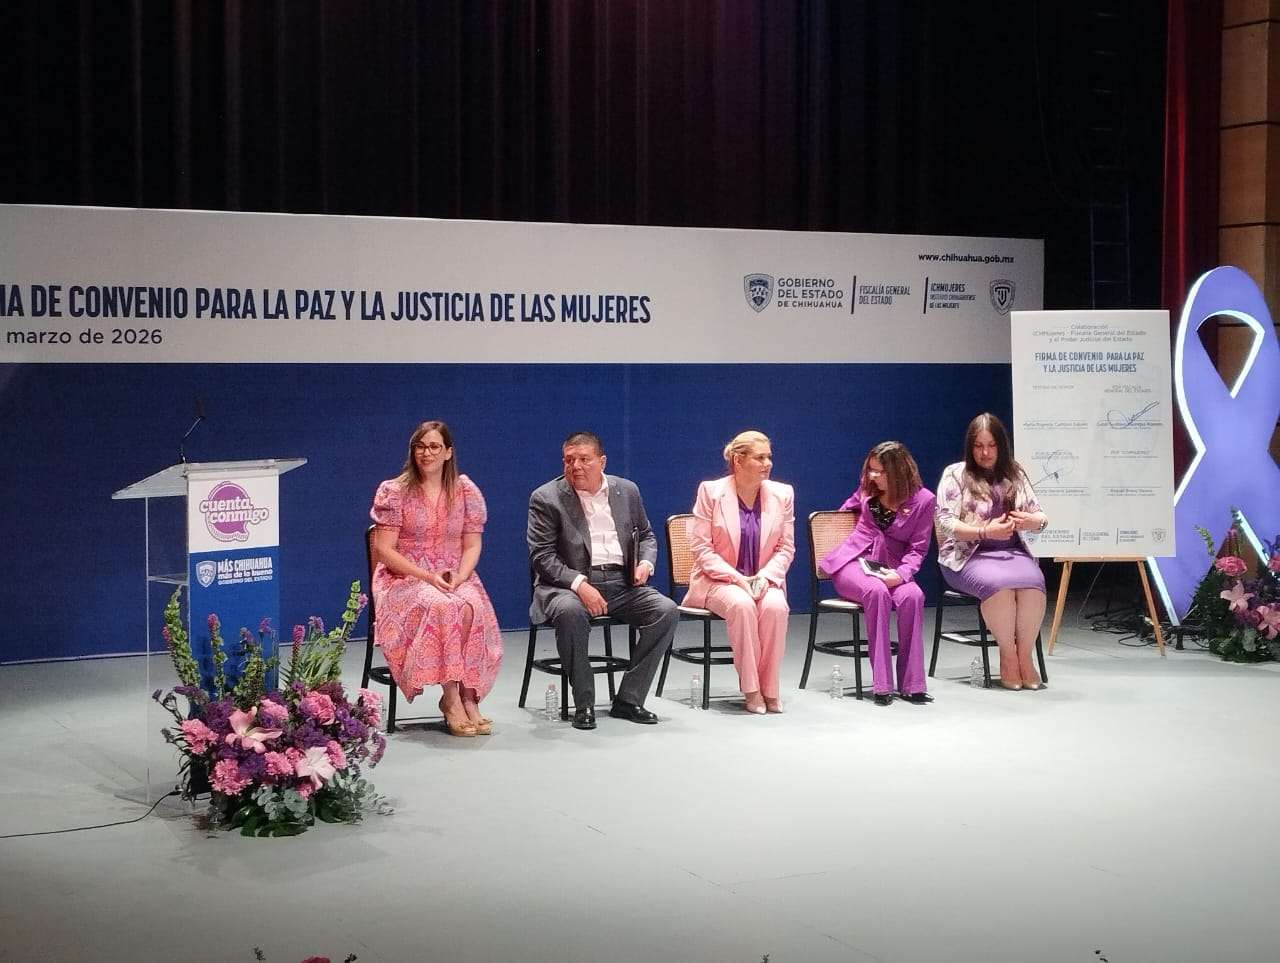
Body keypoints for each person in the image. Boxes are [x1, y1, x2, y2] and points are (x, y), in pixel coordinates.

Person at [527, 431, 679, 730]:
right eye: (569, 460)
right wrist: (581, 585)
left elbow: (646, 535)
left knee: (666, 611)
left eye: (584, 459)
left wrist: (645, 563)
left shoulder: (627, 491)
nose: (576, 466)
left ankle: (629, 699)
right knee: (570, 612)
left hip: (622, 583)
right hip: (567, 586)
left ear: (602, 461)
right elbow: (542, 556)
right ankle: (584, 703)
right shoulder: (546, 497)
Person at [369, 421, 504, 736]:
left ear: (448, 452)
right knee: (442, 606)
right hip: (404, 577)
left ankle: (469, 696)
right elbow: (384, 550)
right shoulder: (395, 491)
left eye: (434, 447)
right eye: (420, 447)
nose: (426, 453)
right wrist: (427, 576)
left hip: (452, 574)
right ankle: (451, 698)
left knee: (472, 606)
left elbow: (472, 545)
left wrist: (461, 575)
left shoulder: (464, 490)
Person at [684, 430, 795, 714]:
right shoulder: (711, 492)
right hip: (718, 581)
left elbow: (786, 548)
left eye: (769, 457)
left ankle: (771, 689)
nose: (768, 463)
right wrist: (738, 579)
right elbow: (701, 549)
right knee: (742, 605)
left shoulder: (783, 494)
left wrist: (765, 577)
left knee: (775, 608)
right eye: (760, 458)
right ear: (738, 460)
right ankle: (751, 689)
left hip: (764, 579)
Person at [935, 412, 1048, 690]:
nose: (985, 453)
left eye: (991, 446)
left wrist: (1035, 522)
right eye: (978, 446)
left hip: (1012, 553)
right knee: (1000, 586)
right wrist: (985, 531)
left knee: (1034, 583)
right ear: (970, 447)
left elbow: (1039, 515)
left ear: (1001, 446)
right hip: (966, 556)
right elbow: (945, 522)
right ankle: (1008, 656)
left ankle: (1024, 657)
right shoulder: (955, 474)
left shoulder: (1015, 472)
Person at [819, 441, 935, 706]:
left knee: (913, 595)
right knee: (877, 591)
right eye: (870, 470)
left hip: (891, 567)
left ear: (897, 471)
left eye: (879, 471)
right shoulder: (867, 490)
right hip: (853, 563)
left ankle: (913, 685)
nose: (872, 476)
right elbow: (841, 513)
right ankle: (882, 685)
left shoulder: (924, 500)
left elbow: (918, 549)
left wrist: (902, 575)